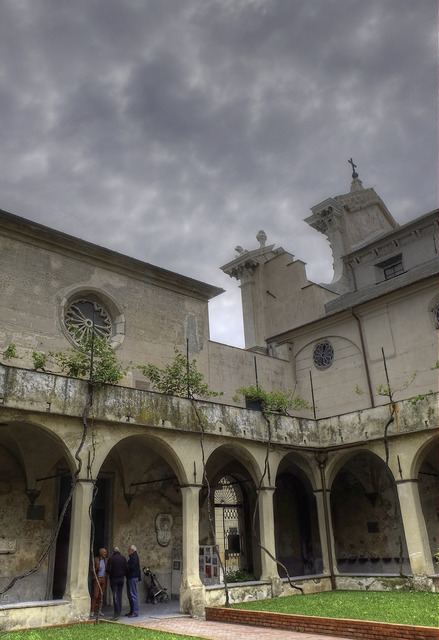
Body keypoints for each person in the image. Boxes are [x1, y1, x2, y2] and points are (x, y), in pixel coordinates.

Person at [106, 546, 127, 621]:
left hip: (114, 579)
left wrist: (110, 573)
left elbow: (108, 570)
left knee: (115, 595)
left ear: (113, 551)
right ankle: (119, 610)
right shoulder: (123, 558)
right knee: (119, 594)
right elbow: (126, 568)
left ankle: (117, 612)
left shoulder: (111, 559)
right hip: (121, 579)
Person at [90, 547, 107, 618]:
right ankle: (92, 610)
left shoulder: (106, 560)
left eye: (105, 552)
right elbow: (91, 569)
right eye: (104, 552)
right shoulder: (96, 559)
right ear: (100, 553)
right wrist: (97, 569)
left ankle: (99, 610)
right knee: (95, 595)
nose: (105, 554)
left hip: (103, 578)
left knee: (101, 595)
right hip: (97, 578)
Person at [125, 544, 141, 617]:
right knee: (131, 595)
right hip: (131, 577)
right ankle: (132, 611)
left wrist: (126, 567)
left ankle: (135, 612)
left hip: (132, 577)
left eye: (129, 550)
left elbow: (132, 567)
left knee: (133, 595)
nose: (128, 551)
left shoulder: (134, 557)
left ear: (132, 550)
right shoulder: (133, 557)